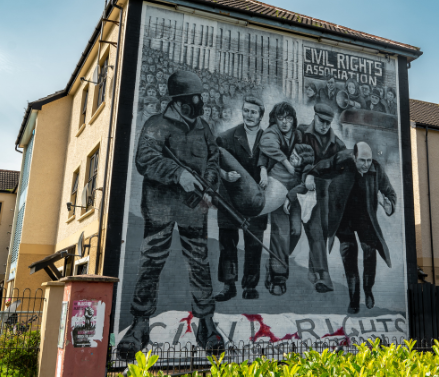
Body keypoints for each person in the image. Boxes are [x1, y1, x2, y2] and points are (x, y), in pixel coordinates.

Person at [118, 70, 224, 358]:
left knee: (200, 264)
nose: (201, 102)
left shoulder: (202, 127)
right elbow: (145, 158)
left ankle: (206, 323)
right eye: (196, 97)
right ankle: (139, 324)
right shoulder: (157, 124)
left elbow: (213, 159)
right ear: (181, 100)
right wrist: (178, 174)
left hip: (194, 208)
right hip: (160, 207)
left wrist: (209, 185)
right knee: (151, 261)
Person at [307, 142, 396, 314]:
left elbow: (389, 192)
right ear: (353, 157)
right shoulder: (342, 161)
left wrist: (388, 206)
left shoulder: (376, 169)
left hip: (365, 218)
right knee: (349, 254)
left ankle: (368, 290)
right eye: (362, 160)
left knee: (369, 252)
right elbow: (323, 165)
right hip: (343, 217)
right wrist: (310, 175)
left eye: (368, 160)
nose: (365, 164)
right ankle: (354, 299)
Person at [213, 97, 268, 301]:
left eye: (253, 112)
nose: (249, 115)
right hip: (230, 199)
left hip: (257, 201)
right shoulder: (226, 138)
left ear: (261, 115)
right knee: (228, 242)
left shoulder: (269, 140)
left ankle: (250, 286)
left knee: (254, 243)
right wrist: (225, 175)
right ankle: (229, 285)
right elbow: (211, 162)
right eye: (246, 111)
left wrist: (266, 173)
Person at [297, 103, 345, 293]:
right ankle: (321, 275)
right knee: (312, 233)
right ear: (314, 117)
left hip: (323, 194)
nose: (324, 125)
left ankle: (317, 273)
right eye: (321, 121)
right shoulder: (300, 133)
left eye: (328, 122)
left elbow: (343, 168)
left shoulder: (337, 144)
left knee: (319, 233)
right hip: (299, 190)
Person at [258, 102, 302, 296]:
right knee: (281, 232)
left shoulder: (299, 135)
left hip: (296, 192)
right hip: (277, 188)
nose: (285, 123)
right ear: (275, 120)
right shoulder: (272, 133)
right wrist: (265, 169)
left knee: (296, 231)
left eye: (289, 118)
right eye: (281, 118)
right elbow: (266, 146)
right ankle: (278, 277)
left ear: (293, 120)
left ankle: (280, 257)